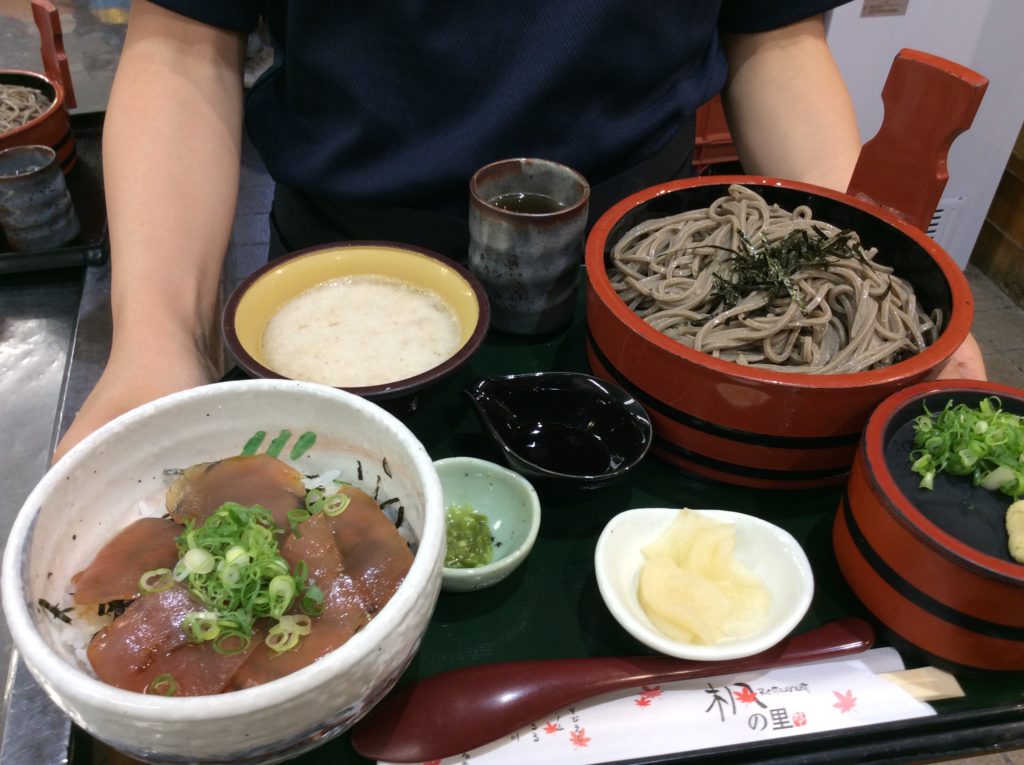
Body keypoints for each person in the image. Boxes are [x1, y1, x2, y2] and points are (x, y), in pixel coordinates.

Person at [53, 0, 986, 461]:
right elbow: (184, 43)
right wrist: (155, 343)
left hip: (666, 304)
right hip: (336, 297)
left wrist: (873, 303)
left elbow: (775, 37)